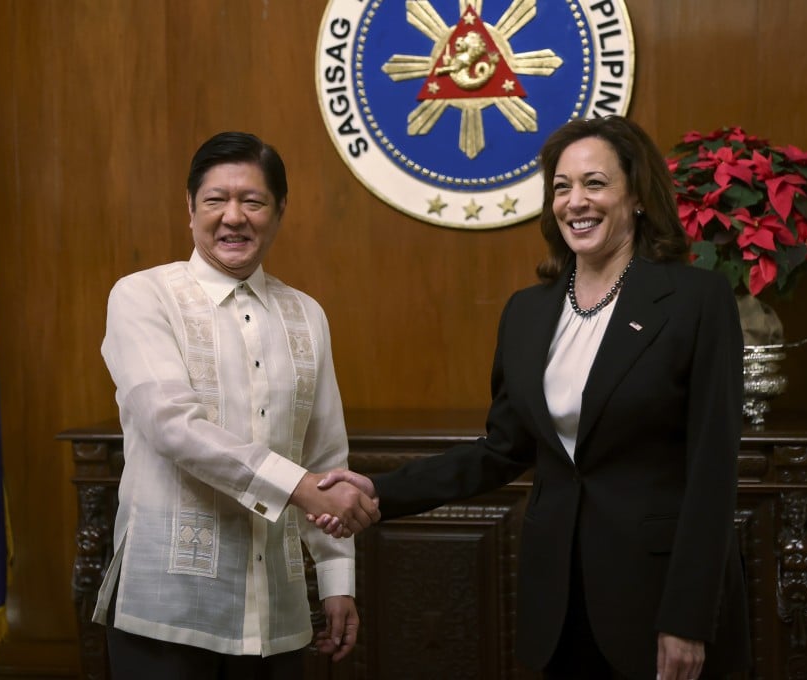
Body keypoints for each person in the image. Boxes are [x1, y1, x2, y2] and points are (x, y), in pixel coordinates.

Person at [313, 116, 751, 679]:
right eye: (562, 187)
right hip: (558, 600)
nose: (576, 201)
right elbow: (501, 450)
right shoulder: (527, 312)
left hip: (659, 596)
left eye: (595, 183)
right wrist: (380, 490)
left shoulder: (696, 300)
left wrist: (688, 617)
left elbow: (713, 470)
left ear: (638, 196)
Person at [93, 131, 380, 679]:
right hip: (168, 609)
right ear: (190, 208)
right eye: (215, 200)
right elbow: (172, 426)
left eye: (252, 201)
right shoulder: (142, 295)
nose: (233, 217)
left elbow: (324, 454)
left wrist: (336, 579)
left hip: (278, 611)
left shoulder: (306, 314)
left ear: (279, 210)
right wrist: (297, 486)